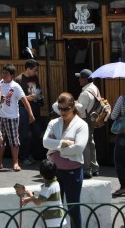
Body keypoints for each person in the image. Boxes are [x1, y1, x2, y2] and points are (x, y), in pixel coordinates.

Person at [43, 92, 89, 228]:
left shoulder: (81, 125)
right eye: (60, 108)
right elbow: (45, 142)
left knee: (73, 208)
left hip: (72, 172)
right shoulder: (53, 122)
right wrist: (63, 142)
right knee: (54, 207)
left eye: (65, 109)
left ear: (73, 107)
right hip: (55, 172)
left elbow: (79, 147)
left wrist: (56, 149)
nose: (62, 112)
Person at [0, 64, 35, 172]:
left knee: (14, 141)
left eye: (6, 73)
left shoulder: (15, 86)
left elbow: (24, 101)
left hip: (12, 116)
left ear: (12, 75)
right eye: (3, 72)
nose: (3, 75)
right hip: (0, 116)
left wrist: (30, 114)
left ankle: (16, 162)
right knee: (0, 140)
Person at [21, 159, 67, 228]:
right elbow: (45, 198)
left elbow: (38, 202)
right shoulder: (56, 183)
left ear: (41, 174)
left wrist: (31, 194)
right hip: (59, 218)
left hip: (52, 221)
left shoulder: (47, 188)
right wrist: (31, 199)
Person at [15, 59, 44, 165]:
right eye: (34, 70)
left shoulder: (34, 77)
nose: (36, 72)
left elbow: (38, 89)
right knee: (24, 133)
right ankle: (23, 157)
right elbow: (14, 97)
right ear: (28, 69)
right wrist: (27, 98)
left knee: (36, 132)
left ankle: (29, 154)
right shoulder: (18, 80)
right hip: (23, 109)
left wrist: (40, 97)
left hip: (35, 107)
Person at [75, 68, 100, 179]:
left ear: (85, 79)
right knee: (91, 143)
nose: (79, 80)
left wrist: (75, 104)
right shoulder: (95, 88)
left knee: (85, 145)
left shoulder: (85, 93)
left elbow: (80, 110)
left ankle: (86, 169)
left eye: (80, 77)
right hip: (92, 119)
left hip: (85, 120)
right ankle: (95, 168)